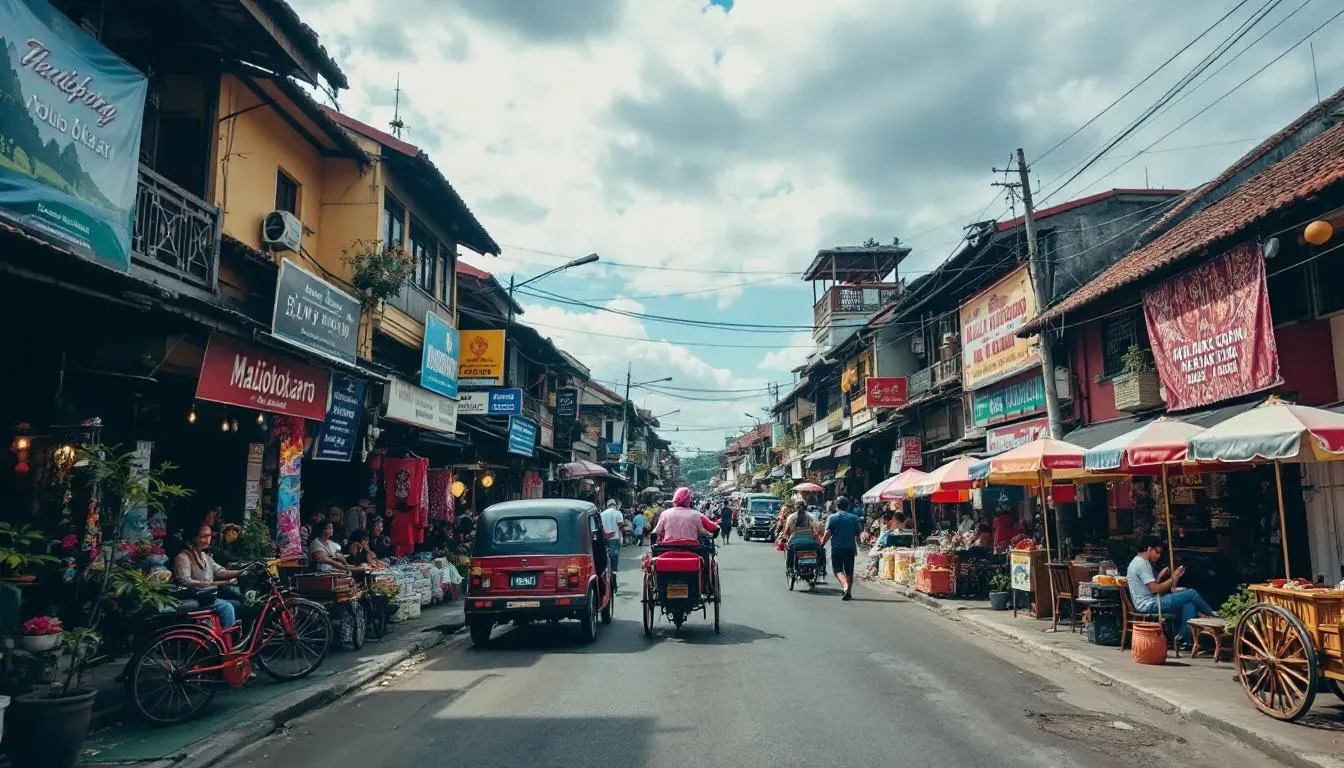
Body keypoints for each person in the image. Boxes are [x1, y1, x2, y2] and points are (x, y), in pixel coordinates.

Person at [1126, 534, 1217, 649]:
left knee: (1188, 603)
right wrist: (1173, 578)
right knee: (1191, 593)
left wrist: (1160, 577)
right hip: (1149, 604)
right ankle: (1214, 617)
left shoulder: (1138, 562)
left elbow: (1152, 587)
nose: (1158, 556)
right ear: (1148, 548)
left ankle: (1184, 640)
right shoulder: (1141, 564)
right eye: (1157, 552)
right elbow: (1155, 589)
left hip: (1150, 600)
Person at [173, 524, 244, 628]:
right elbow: (186, 581)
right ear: (194, 538)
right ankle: (227, 640)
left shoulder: (204, 556)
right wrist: (223, 583)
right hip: (195, 598)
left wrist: (242, 571)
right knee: (227, 607)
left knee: (237, 603)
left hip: (208, 596)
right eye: (203, 536)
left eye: (209, 536)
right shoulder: (183, 557)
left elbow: (220, 571)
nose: (207, 540)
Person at [822, 495, 863, 601]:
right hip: (850, 548)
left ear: (837, 506)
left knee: (838, 570)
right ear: (848, 506)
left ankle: (845, 586)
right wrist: (860, 545)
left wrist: (822, 544)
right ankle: (848, 592)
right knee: (849, 571)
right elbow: (858, 535)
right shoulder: (854, 518)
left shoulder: (832, 517)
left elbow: (828, 533)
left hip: (837, 548)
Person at [780, 502, 825, 582]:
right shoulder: (811, 517)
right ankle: (819, 567)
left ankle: (789, 568)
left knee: (788, 550)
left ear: (795, 508)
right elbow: (818, 529)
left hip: (795, 544)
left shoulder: (791, 517)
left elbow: (786, 531)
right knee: (821, 549)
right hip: (810, 543)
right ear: (805, 507)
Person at [600, 500, 625, 591]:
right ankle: (614, 583)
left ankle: (607, 581)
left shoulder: (601, 514)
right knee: (614, 562)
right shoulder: (618, 513)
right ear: (615, 505)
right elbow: (620, 525)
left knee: (606, 561)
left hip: (604, 540)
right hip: (615, 539)